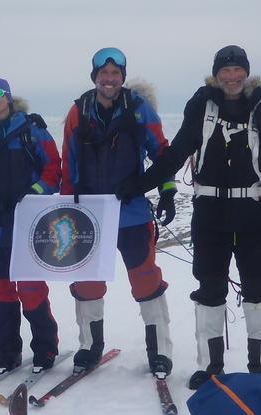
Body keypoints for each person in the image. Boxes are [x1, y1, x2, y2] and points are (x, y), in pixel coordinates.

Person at [124, 45, 261, 390]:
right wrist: (140, 186)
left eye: (238, 69)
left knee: (258, 288)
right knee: (209, 287)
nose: (232, 76)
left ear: (246, 71)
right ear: (216, 73)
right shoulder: (202, 108)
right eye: (225, 70)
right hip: (210, 212)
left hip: (253, 211)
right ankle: (210, 366)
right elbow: (176, 153)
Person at [61, 47, 178, 377]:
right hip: (90, 214)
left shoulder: (140, 109)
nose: (109, 79)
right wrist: (67, 205)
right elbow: (68, 162)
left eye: (115, 73)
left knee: (145, 279)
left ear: (122, 77)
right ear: (94, 76)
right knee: (87, 283)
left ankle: (160, 351)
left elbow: (162, 153)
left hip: (132, 212)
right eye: (103, 73)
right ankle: (89, 346)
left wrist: (167, 191)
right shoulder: (78, 112)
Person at [0, 77, 62, 375]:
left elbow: (53, 169)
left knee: (31, 289)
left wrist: (36, 192)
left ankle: (44, 349)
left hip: (28, 222)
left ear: (7, 96)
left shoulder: (33, 129)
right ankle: (8, 352)